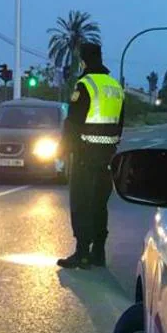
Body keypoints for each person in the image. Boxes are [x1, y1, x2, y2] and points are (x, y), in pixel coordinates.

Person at [57, 42, 125, 269]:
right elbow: (121, 122)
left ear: (83, 60)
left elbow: (73, 122)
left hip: (86, 153)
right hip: (108, 155)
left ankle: (82, 253)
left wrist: (63, 150)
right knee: (99, 203)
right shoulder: (114, 86)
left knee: (81, 202)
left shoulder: (85, 84)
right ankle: (99, 253)